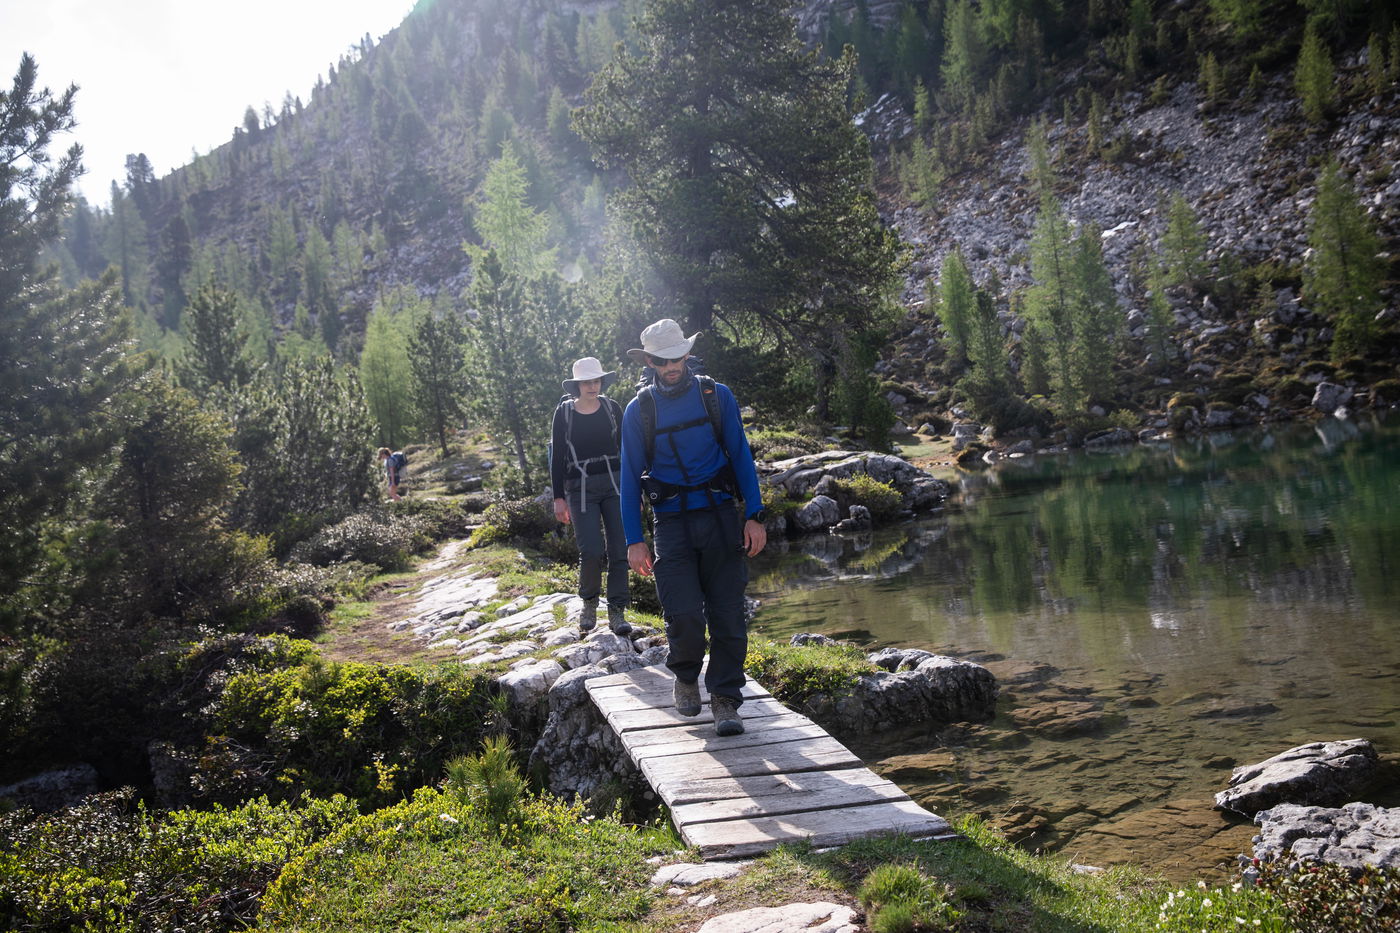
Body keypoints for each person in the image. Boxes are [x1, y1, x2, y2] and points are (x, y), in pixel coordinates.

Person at [619, 319, 768, 736]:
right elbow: (629, 479)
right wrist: (634, 539)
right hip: (671, 524)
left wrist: (754, 514)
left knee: (727, 615)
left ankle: (725, 700)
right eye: (664, 361)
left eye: (678, 358)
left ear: (687, 354)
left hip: (721, 517)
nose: (672, 367)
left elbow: (740, 454)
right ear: (650, 361)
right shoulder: (639, 410)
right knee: (682, 614)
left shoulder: (715, 396)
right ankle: (686, 676)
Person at [551, 357, 632, 636]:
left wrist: (636, 490)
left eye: (596, 380)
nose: (592, 386)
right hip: (579, 487)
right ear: (577, 385)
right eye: (586, 381)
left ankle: (618, 611)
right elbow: (557, 456)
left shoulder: (612, 408)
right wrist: (558, 497)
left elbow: (628, 449)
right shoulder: (563, 413)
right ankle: (589, 603)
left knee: (620, 549)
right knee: (591, 550)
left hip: (616, 484)